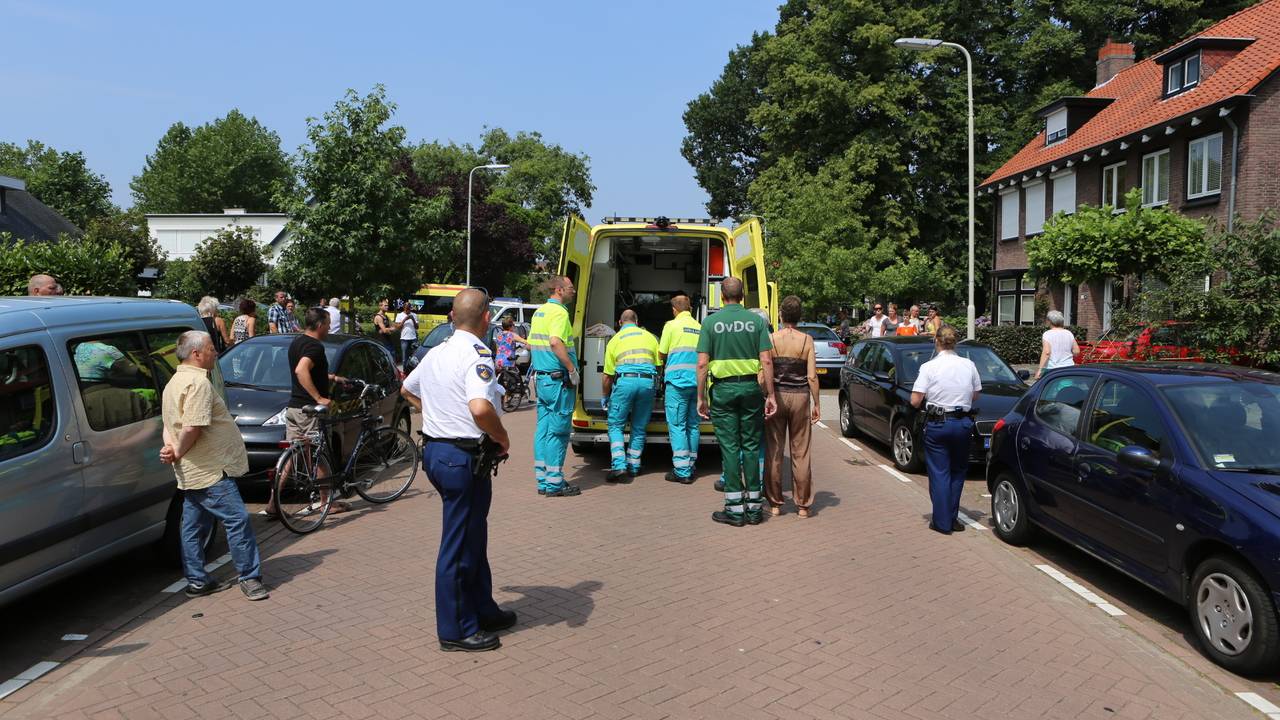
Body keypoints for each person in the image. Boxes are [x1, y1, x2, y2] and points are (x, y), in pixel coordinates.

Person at [400, 289, 515, 652]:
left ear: (451, 315)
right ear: (485, 320)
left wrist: (435, 412)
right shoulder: (476, 353)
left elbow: (407, 388)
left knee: (473, 536)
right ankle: (455, 629)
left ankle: (482, 609)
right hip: (461, 457)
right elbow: (481, 408)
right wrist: (503, 437)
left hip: (441, 452)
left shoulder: (437, 352)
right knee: (459, 544)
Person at [158, 330, 269, 601]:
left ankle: (197, 580)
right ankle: (249, 577)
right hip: (208, 470)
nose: (215, 352)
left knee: (193, 527)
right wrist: (178, 452)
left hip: (192, 470)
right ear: (196, 354)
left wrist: (172, 449)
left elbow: (168, 425)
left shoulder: (173, 382)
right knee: (237, 520)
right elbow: (192, 426)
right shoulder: (197, 384)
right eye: (210, 348)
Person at [697, 278, 776, 527]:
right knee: (751, 446)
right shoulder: (756, 322)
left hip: (723, 390)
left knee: (730, 448)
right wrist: (771, 394)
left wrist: (701, 398)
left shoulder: (710, 322)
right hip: (751, 388)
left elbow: (701, 364)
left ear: (722, 296)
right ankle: (754, 509)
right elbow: (766, 360)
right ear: (743, 296)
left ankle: (734, 510)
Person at [268, 308, 349, 516]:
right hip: (310, 412)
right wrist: (319, 398)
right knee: (318, 454)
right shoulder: (315, 347)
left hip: (294, 407)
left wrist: (331, 377)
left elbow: (309, 369)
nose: (330, 327)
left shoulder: (297, 342)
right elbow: (301, 370)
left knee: (292, 456)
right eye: (328, 323)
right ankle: (325, 502)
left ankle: (272, 504)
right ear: (320, 324)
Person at [910, 326, 981, 535]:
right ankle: (952, 517)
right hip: (962, 423)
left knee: (940, 472)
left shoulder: (929, 367)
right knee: (958, 471)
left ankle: (942, 522)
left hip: (938, 423)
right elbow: (976, 394)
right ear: (955, 342)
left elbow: (915, 400)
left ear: (936, 341)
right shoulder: (968, 365)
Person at [764, 296, 820, 518]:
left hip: (777, 396)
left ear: (781, 315)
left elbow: (766, 368)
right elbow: (812, 376)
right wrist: (817, 403)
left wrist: (768, 395)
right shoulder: (807, 340)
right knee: (801, 451)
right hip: (800, 397)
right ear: (800, 316)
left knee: (774, 450)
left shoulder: (772, 338)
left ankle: (776, 504)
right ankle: (803, 506)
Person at [529, 276, 581, 497]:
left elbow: (533, 343)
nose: (574, 291)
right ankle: (554, 483)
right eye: (570, 288)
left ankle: (543, 479)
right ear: (559, 290)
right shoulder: (560, 313)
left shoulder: (539, 312)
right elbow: (555, 342)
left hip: (543, 380)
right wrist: (571, 369)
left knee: (543, 429)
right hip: (558, 380)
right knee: (559, 432)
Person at [601, 309, 661, 482]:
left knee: (615, 425)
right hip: (647, 383)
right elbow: (658, 365)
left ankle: (619, 466)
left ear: (620, 323)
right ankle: (634, 465)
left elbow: (607, 375)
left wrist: (605, 395)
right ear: (636, 320)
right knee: (639, 426)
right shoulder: (650, 337)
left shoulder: (614, 340)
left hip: (625, 383)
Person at [658, 293, 701, 484]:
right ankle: (691, 464)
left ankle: (682, 470)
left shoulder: (671, 325)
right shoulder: (700, 327)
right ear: (690, 308)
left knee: (677, 425)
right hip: (696, 384)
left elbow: (662, 353)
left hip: (677, 383)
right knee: (693, 425)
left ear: (674, 310)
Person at [1034, 310, 1080, 381]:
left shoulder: (1047, 334)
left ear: (1050, 321)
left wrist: (1040, 369)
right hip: (1068, 367)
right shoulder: (1069, 333)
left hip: (1053, 369)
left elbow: (1047, 352)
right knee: (1067, 387)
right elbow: (1076, 351)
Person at [395, 302, 420, 366]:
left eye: (409, 309)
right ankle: (404, 371)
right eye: (406, 309)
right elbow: (398, 327)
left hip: (413, 338)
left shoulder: (414, 315)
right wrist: (405, 319)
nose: (408, 310)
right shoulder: (399, 315)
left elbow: (417, 327)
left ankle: (412, 370)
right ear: (404, 308)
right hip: (404, 339)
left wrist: (413, 319)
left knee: (414, 356)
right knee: (404, 357)